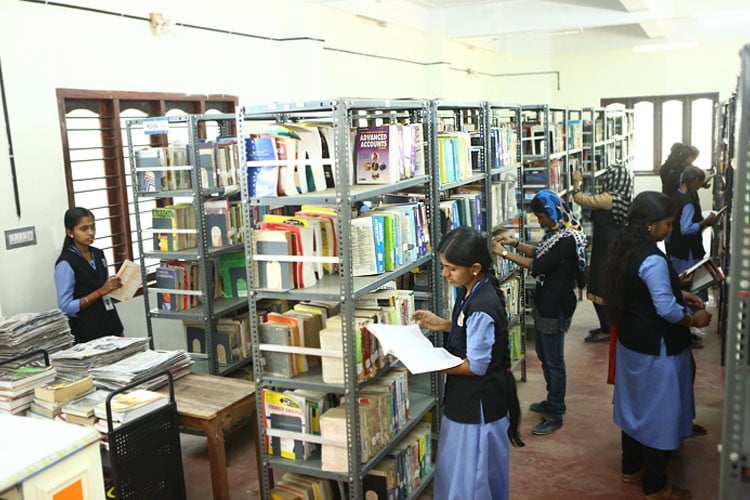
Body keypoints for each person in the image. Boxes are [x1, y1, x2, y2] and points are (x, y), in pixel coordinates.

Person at [603, 191, 710, 500]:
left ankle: (631, 467)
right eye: (667, 223)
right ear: (650, 225)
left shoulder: (625, 248)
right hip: (658, 349)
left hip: (631, 344)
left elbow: (646, 292)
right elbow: (665, 310)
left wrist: (678, 292)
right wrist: (695, 320)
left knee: (634, 408)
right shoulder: (652, 258)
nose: (670, 229)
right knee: (659, 414)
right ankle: (656, 485)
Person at [412, 226, 524, 500]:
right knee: (459, 473)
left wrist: (428, 363)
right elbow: (471, 331)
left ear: (474, 268)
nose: (444, 273)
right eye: (443, 266)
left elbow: (476, 365)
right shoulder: (472, 290)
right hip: (466, 402)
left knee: (471, 480)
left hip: (478, 407)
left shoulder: (482, 304)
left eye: (451, 268)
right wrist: (443, 324)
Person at [493, 190, 587, 435]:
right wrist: (514, 243)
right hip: (546, 303)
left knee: (554, 360)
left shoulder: (567, 238)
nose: (539, 221)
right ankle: (552, 399)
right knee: (545, 354)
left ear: (552, 212)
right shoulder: (556, 233)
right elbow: (539, 252)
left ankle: (556, 412)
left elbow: (538, 265)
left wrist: (503, 254)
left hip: (555, 306)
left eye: (540, 216)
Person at [571, 162, 634, 343]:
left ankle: (607, 328)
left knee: (600, 284)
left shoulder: (610, 198)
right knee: (601, 284)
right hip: (609, 245)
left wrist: (577, 183)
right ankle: (606, 325)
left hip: (606, 248)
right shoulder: (622, 196)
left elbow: (581, 199)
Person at [54, 207, 124, 344]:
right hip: (86, 332)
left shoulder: (98, 254)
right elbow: (66, 308)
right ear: (70, 232)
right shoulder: (65, 264)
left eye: (93, 227)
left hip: (110, 323)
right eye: (84, 229)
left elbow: (102, 286)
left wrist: (114, 286)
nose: (91, 233)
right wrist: (100, 292)